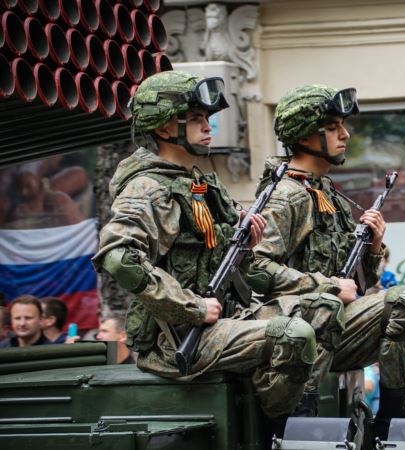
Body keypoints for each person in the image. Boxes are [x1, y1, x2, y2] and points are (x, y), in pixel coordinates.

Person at [92, 71, 317, 428]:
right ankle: (282, 431)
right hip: (178, 338)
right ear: (165, 129)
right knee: (294, 335)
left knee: (318, 311)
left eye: (207, 118)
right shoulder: (148, 188)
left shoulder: (198, 183)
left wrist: (246, 245)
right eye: (195, 118)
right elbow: (119, 257)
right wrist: (191, 307)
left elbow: (214, 260)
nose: (209, 126)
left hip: (224, 319)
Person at [245, 84, 405, 438]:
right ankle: (302, 416)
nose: (344, 134)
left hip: (337, 326)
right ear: (303, 134)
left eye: (341, 125)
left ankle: (395, 415)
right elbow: (254, 268)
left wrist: (373, 247)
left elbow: (359, 283)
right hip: (297, 337)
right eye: (331, 127)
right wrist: (326, 286)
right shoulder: (286, 197)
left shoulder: (328, 194)